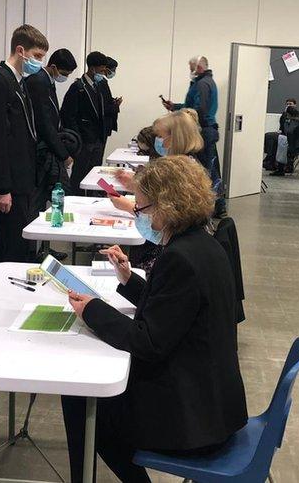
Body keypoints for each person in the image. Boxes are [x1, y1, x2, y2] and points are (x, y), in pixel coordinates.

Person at [61, 155, 248, 483]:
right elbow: (175, 308)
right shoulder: (203, 244)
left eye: (142, 209)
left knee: (82, 399)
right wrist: (127, 279)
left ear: (167, 207)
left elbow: (147, 342)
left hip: (192, 416)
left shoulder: (179, 258)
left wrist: (92, 309)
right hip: (214, 397)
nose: (138, 215)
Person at [0, 24, 49, 265]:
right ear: (20, 50)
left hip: (22, 176)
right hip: (9, 180)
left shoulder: (18, 82)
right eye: (37, 56)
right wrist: (2, 188)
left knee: (16, 238)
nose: (40, 62)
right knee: (10, 240)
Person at [162, 55, 225, 217]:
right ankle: (218, 206)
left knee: (205, 171)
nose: (190, 72)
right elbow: (193, 107)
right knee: (211, 169)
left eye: (191, 68)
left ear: (199, 68)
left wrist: (187, 123)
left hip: (203, 131)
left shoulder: (202, 84)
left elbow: (199, 110)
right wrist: (175, 106)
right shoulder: (205, 82)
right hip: (207, 130)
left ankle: (207, 208)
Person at [25, 48, 76, 213]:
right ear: (53, 66)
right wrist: (63, 154)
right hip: (40, 151)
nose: (65, 77)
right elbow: (44, 123)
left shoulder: (47, 81)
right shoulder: (37, 82)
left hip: (48, 147)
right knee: (38, 199)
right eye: (64, 73)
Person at [61, 51, 110, 194]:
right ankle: (74, 201)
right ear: (92, 68)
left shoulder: (99, 86)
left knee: (95, 173)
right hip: (84, 140)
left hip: (98, 139)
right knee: (79, 176)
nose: (103, 73)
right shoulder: (77, 87)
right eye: (101, 70)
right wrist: (78, 138)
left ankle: (92, 200)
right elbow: (67, 115)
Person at [271, 107, 299, 176]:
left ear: (288, 114)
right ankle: (280, 167)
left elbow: (288, 132)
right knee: (280, 141)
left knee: (279, 143)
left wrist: (286, 123)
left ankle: (280, 168)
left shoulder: (295, 122)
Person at [98, 56, 122, 138]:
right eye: (113, 70)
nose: (114, 72)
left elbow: (105, 100)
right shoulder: (100, 83)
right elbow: (102, 106)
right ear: (105, 69)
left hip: (104, 127)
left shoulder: (103, 82)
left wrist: (113, 101)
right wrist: (115, 105)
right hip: (100, 127)